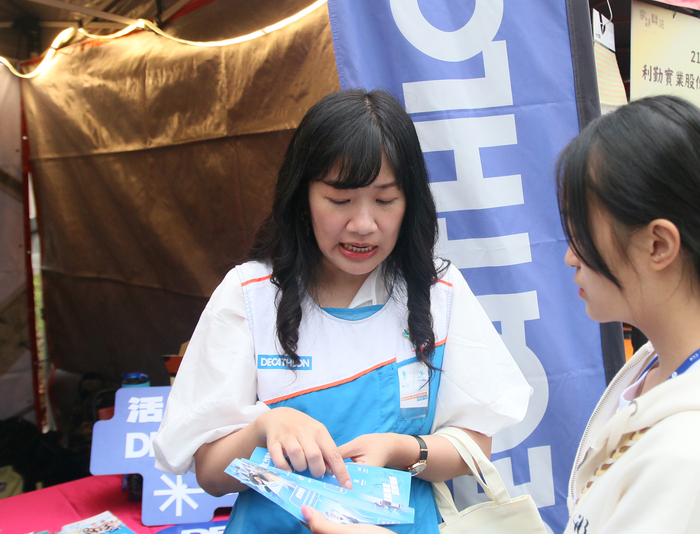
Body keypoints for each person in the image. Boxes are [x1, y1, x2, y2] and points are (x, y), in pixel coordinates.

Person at [302, 95, 700, 534]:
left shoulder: (684, 451)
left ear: (659, 245)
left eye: (582, 232)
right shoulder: (648, 372)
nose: (570, 257)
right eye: (340, 199)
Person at [153, 88, 532, 534]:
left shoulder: (437, 291)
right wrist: (264, 428)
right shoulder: (249, 294)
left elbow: (475, 444)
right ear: (302, 197)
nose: (364, 224)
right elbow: (210, 475)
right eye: (339, 200)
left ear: (411, 202)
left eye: (386, 200)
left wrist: (402, 451)